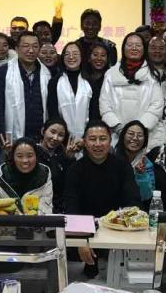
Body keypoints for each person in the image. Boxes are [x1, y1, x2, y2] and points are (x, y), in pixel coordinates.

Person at [62, 121, 142, 276]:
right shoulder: (75, 169)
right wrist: (81, 241)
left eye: (103, 138)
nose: (98, 144)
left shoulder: (122, 166)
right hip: (85, 228)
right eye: (92, 139)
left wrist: (123, 224)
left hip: (116, 226)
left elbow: (133, 200)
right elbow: (72, 207)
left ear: (110, 141)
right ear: (85, 142)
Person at [100, 32, 165, 149]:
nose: (134, 48)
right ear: (123, 48)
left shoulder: (152, 74)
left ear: (144, 49)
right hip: (117, 133)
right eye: (130, 45)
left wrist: (140, 129)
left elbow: (157, 105)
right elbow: (104, 104)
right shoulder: (110, 74)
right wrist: (118, 127)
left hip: (147, 134)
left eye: (138, 45)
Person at [0, 31, 50, 141]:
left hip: (40, 136)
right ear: (17, 49)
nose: (31, 50)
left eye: (35, 46)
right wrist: (1, 136)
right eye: (26, 46)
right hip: (12, 137)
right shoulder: (4, 72)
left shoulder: (47, 74)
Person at [0, 137, 54, 214]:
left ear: (36, 156)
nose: (25, 161)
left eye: (30, 156)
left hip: (36, 220)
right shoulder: (3, 174)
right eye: (19, 156)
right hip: (7, 220)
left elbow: (46, 209)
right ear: (13, 157)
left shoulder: (44, 174)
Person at [47, 41, 92, 141]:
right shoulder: (55, 81)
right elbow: (53, 112)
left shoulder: (90, 81)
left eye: (75, 54)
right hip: (61, 137)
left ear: (82, 57)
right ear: (62, 58)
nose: (71, 57)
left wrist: (87, 137)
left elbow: (94, 112)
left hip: (86, 137)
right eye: (67, 54)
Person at [36, 117, 75, 212]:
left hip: (59, 209)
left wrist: (70, 159)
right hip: (36, 206)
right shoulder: (32, 152)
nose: (55, 138)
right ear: (43, 131)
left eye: (61, 135)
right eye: (52, 132)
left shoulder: (63, 155)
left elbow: (69, 184)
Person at [115, 120, 155, 206]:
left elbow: (146, 196)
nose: (135, 138)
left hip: (135, 208)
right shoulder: (111, 157)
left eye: (140, 135)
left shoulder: (146, 164)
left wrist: (141, 175)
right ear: (123, 136)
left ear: (145, 140)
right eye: (131, 134)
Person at [81, 41, 109, 123]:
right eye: (95, 55)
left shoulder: (110, 78)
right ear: (89, 58)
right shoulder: (82, 78)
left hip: (106, 123)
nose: (99, 58)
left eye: (103, 55)